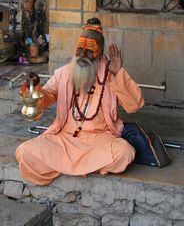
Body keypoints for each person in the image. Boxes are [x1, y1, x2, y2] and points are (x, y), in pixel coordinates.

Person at [15, 18, 144, 186]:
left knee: (125, 153)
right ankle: (86, 166)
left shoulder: (110, 74)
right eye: (80, 49)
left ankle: (63, 165)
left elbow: (134, 105)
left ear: (100, 52)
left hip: (99, 140)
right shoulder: (64, 73)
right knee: (24, 152)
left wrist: (118, 73)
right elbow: (47, 96)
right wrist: (35, 87)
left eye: (89, 51)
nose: (83, 55)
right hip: (65, 139)